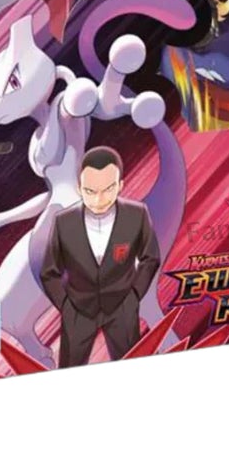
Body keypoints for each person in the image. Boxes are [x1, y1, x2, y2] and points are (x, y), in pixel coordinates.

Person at [38, 146, 161, 366]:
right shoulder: (63, 222)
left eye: (108, 189)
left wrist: (134, 295)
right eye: (90, 191)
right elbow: (49, 272)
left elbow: (150, 258)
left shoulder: (137, 214)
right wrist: (66, 305)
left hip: (122, 307)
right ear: (79, 188)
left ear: (120, 185)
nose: (99, 199)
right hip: (78, 310)